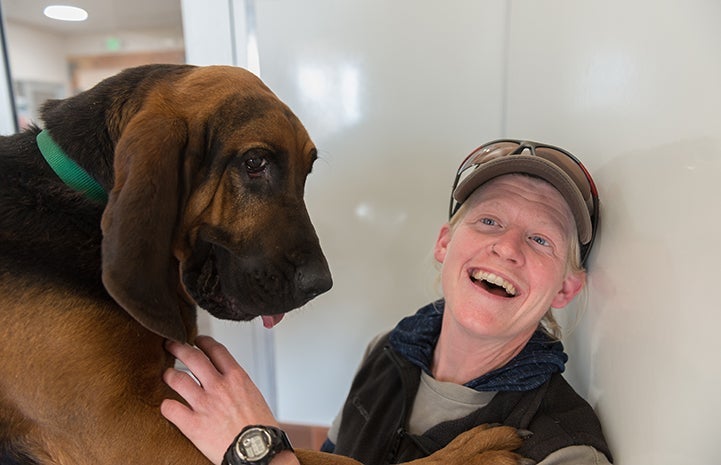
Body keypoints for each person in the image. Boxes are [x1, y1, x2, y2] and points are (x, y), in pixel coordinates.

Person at [161, 139, 613, 465]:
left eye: (540, 239)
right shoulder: (387, 352)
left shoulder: (564, 448)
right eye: (490, 221)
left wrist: (254, 449)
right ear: (444, 244)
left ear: (565, 289)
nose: (508, 248)